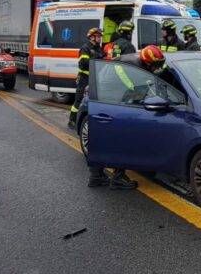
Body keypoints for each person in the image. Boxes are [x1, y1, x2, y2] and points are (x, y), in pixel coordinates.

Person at [87, 45, 171, 190]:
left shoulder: (137, 62)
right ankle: (118, 177)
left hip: (101, 97)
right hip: (109, 97)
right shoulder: (133, 69)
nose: (157, 68)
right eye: (155, 65)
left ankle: (96, 176)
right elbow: (134, 91)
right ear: (147, 62)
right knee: (123, 135)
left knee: (102, 137)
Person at [69, 27, 103, 128]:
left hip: (94, 78)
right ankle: (72, 120)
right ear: (92, 37)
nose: (100, 38)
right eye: (98, 36)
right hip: (84, 78)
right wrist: (97, 59)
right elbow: (84, 63)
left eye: (100, 36)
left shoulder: (98, 48)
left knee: (93, 100)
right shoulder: (85, 48)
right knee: (79, 100)